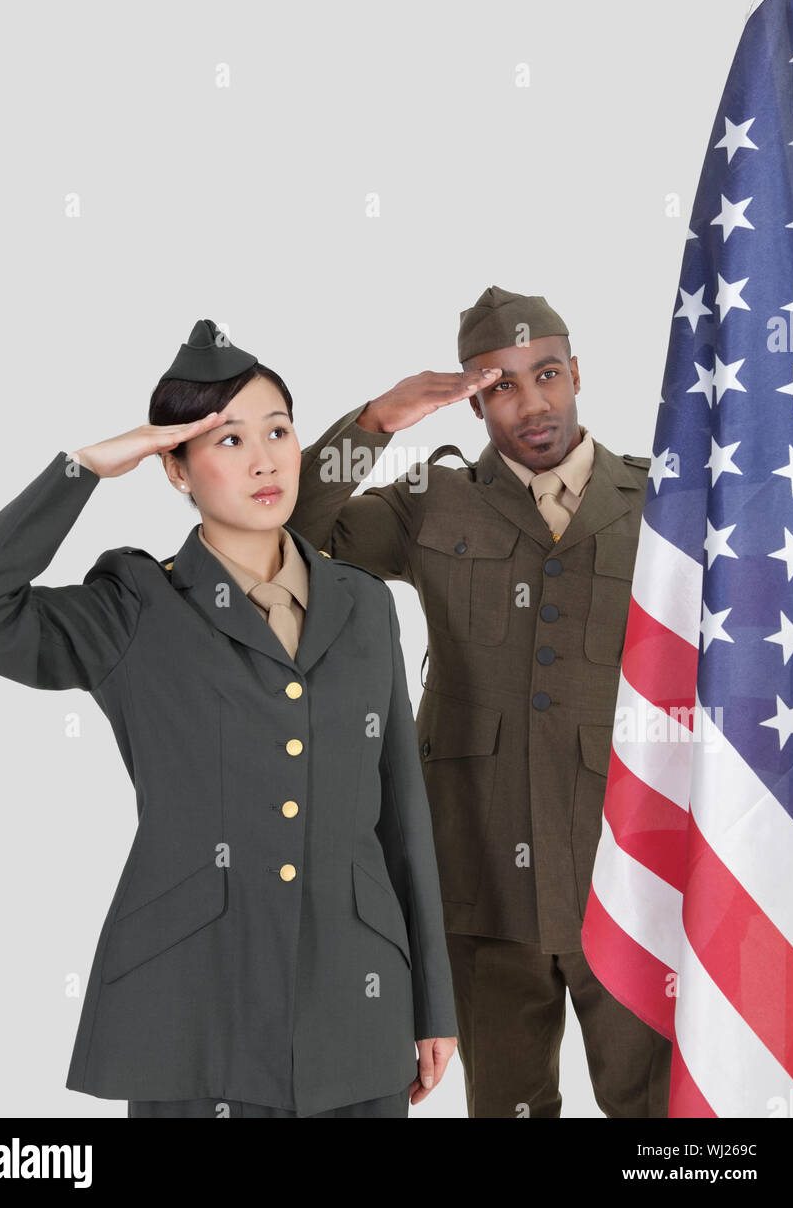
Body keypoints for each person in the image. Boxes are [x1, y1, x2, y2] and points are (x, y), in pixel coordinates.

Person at [0, 318, 457, 1119]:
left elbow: (402, 813)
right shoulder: (134, 609)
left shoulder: (362, 603)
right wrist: (80, 470)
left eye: (278, 431)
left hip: (355, 1011)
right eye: (226, 440)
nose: (263, 460)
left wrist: (432, 1004)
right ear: (174, 469)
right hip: (193, 1017)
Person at [286, 286, 673, 1118]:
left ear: (578, 375)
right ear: (473, 401)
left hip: (630, 878)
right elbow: (295, 532)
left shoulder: (664, 505)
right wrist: (375, 424)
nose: (531, 402)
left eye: (547, 374)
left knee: (660, 1127)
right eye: (500, 385)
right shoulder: (433, 500)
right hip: (481, 877)